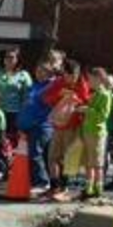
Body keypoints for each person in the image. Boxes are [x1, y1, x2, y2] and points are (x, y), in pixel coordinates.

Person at [42, 59, 90, 202]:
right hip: (58, 125)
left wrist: (77, 100)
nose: (71, 79)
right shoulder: (59, 82)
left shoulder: (82, 83)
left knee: (68, 158)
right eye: (69, 75)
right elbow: (46, 98)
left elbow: (86, 101)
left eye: (74, 75)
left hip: (73, 126)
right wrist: (60, 95)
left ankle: (64, 187)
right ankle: (54, 186)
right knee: (52, 156)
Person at [17, 60, 56, 190]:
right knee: (33, 155)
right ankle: (37, 181)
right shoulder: (34, 86)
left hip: (42, 125)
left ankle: (42, 182)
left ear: (49, 73)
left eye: (42, 71)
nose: (38, 74)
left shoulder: (51, 86)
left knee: (36, 154)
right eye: (37, 71)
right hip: (29, 126)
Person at [80, 67, 113, 199]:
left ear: (99, 79)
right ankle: (89, 187)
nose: (88, 82)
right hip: (88, 131)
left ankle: (98, 188)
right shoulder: (94, 94)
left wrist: (87, 110)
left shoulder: (105, 95)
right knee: (89, 161)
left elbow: (103, 116)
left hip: (97, 132)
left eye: (91, 79)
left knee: (98, 163)